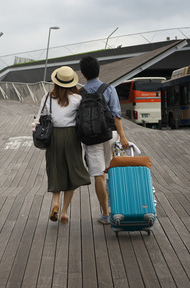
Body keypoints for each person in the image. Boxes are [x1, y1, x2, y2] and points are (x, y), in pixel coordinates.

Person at [35, 66, 91, 224]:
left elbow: (40, 118)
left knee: (55, 169)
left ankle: (55, 203)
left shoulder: (47, 97)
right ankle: (65, 212)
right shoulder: (77, 99)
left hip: (54, 137)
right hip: (71, 136)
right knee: (71, 172)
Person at [79, 56, 129, 225]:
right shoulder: (109, 89)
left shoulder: (80, 94)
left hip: (91, 139)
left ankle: (106, 214)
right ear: (99, 70)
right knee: (112, 171)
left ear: (83, 75)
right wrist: (122, 137)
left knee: (98, 175)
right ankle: (118, 209)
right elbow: (116, 115)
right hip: (110, 135)